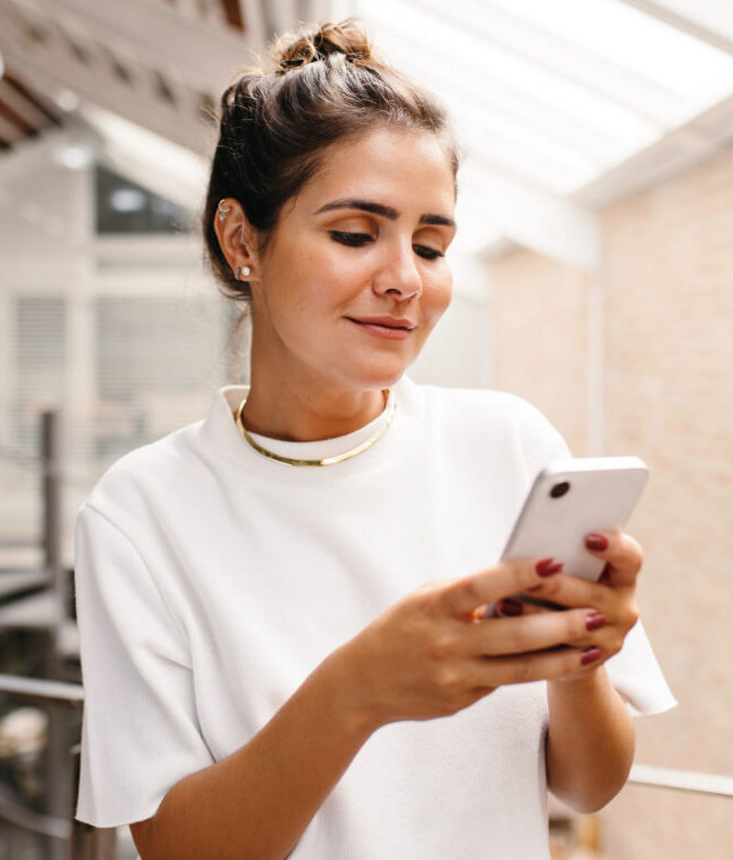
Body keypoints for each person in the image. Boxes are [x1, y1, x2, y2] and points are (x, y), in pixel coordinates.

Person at [73, 20, 675, 859]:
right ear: (242, 238)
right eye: (356, 234)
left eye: (431, 243)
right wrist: (359, 688)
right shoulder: (143, 512)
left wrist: (580, 658)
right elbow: (181, 847)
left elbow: (585, 785)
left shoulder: (508, 444)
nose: (405, 280)